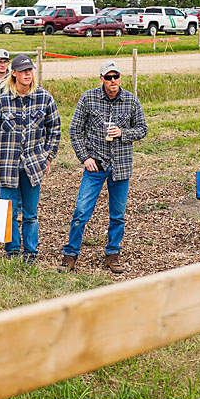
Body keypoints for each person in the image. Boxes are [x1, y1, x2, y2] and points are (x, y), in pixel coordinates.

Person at [60, 60, 147, 274]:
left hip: (121, 165)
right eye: (108, 77)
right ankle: (70, 254)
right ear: (101, 79)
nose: (113, 81)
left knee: (117, 214)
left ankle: (112, 253)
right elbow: (74, 130)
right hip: (95, 165)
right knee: (81, 211)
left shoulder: (130, 100)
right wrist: (85, 158)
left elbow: (143, 129)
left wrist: (123, 133)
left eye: (116, 76)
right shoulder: (88, 98)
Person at [0, 54, 61, 262]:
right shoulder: (0, 102)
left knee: (30, 213)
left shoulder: (44, 98)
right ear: (14, 73)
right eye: (23, 71)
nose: (28, 74)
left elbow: (55, 128)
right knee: (8, 212)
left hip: (33, 166)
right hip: (6, 166)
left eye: (30, 70)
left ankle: (31, 251)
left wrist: (48, 156)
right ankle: (12, 250)